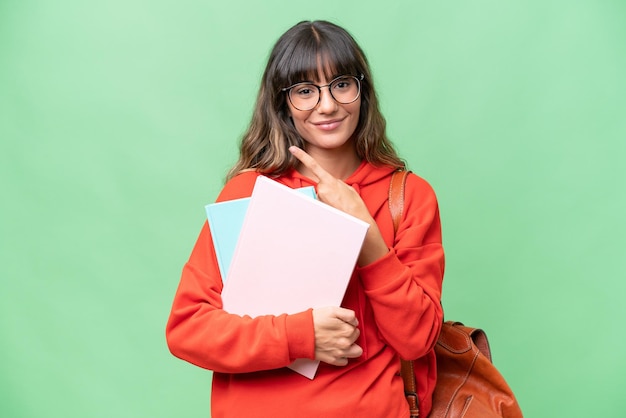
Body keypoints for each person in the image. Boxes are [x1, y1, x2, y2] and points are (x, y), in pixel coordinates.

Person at [166, 20, 444, 418]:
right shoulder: (248, 194)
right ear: (283, 104)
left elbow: (417, 339)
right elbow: (188, 330)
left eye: (342, 84)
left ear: (362, 91)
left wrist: (366, 236)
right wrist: (303, 336)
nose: (327, 105)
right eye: (305, 91)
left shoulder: (408, 196)